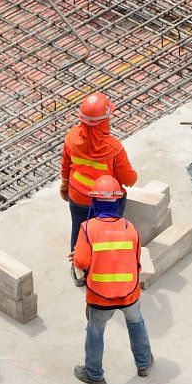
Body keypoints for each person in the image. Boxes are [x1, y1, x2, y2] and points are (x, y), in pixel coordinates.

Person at [70, 174, 154, 384]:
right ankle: (144, 364)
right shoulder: (129, 228)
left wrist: (79, 257)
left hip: (100, 297)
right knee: (136, 324)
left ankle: (94, 375)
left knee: (95, 333)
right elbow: (137, 262)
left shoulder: (88, 229)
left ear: (95, 201)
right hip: (129, 294)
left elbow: (80, 263)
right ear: (117, 201)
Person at [60, 91, 137, 280]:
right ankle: (104, 267)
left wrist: (64, 186)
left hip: (77, 196)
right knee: (108, 233)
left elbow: (65, 165)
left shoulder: (71, 137)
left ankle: (78, 271)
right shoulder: (113, 148)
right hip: (106, 201)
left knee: (78, 231)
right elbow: (129, 180)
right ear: (104, 120)